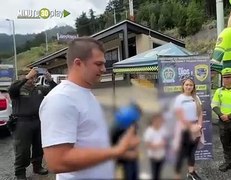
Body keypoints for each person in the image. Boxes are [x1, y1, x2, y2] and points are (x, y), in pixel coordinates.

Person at [39, 37, 140, 179]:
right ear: (78, 63)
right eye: (98, 64)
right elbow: (57, 161)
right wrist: (116, 151)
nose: (104, 69)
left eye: (104, 64)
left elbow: (91, 142)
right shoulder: (60, 99)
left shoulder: (86, 94)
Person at [8, 68, 56, 180]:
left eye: (33, 76)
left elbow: (55, 91)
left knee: (38, 147)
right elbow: (12, 89)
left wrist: (50, 80)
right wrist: (27, 77)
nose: (31, 78)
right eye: (27, 75)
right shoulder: (17, 90)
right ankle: (20, 173)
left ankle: (37, 166)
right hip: (22, 123)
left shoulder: (38, 89)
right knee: (22, 149)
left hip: (37, 121)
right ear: (20, 77)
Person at [173, 75, 203, 180]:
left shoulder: (196, 98)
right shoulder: (179, 99)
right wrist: (191, 127)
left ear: (193, 86)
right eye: (187, 84)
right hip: (184, 129)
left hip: (196, 129)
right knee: (182, 153)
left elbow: (200, 113)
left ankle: (191, 173)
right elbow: (179, 116)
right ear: (183, 86)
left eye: (191, 85)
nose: (188, 87)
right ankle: (177, 174)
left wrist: (199, 126)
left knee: (192, 151)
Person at [144, 113, 167, 180]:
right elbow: (147, 144)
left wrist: (164, 143)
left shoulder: (163, 129)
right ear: (153, 121)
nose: (158, 122)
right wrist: (157, 145)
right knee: (154, 174)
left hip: (161, 156)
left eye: (159, 121)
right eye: (156, 121)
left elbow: (165, 140)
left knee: (159, 174)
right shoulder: (149, 131)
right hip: (153, 156)